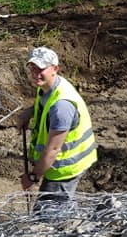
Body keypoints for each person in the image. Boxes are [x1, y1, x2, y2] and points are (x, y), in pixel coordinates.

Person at [17, 46, 97, 215]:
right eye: (32, 67)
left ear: (55, 69)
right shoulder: (46, 88)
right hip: (57, 165)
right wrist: (29, 112)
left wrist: (33, 177)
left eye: (41, 68)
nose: (35, 73)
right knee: (59, 209)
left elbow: (53, 149)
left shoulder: (61, 106)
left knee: (46, 218)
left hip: (65, 168)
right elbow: (42, 105)